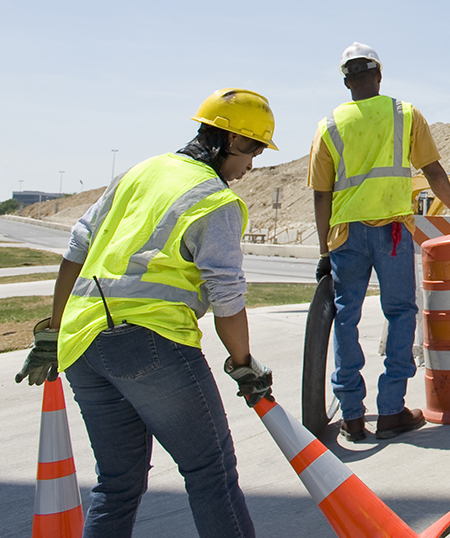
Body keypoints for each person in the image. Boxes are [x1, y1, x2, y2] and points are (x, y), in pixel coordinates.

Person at [14, 88, 279, 538]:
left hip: (83, 346)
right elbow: (227, 297)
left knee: (117, 484)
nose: (252, 163)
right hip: (150, 345)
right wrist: (243, 365)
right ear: (231, 141)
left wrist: (52, 334)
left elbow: (76, 251)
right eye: (253, 148)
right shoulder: (216, 201)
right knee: (210, 471)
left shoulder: (142, 170)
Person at [309, 42, 450, 442]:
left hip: (345, 233)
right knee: (400, 312)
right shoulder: (405, 114)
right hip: (393, 232)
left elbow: (320, 195)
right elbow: (433, 170)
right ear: (379, 75)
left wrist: (324, 250)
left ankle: (350, 416)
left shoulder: (328, 125)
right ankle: (391, 410)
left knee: (346, 317)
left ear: (346, 81)